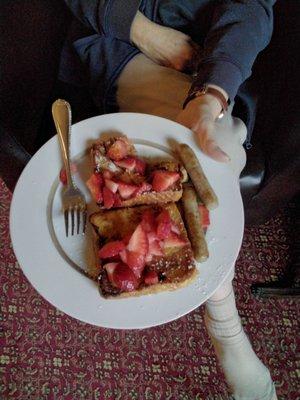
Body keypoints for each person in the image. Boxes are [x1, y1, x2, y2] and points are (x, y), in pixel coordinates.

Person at [60, 2, 278, 399]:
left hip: (216, 53)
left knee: (217, 148)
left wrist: (211, 94)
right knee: (210, 154)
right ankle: (226, 320)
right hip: (121, 41)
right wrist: (144, 31)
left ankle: (222, 323)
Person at [60, 0, 275, 169]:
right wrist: (146, 35)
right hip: (117, 39)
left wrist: (211, 95)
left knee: (219, 149)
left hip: (208, 54)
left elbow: (251, 9)